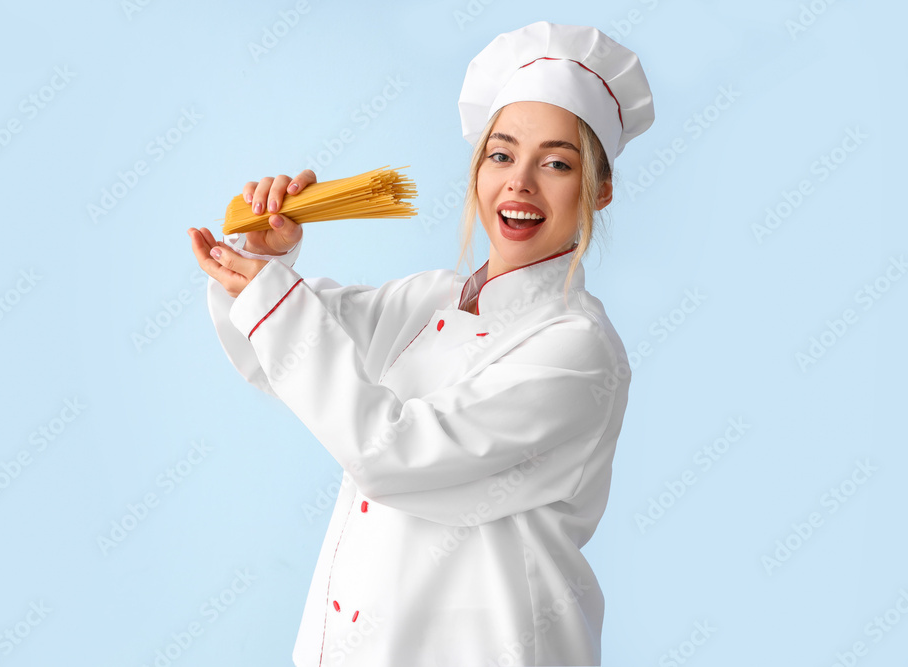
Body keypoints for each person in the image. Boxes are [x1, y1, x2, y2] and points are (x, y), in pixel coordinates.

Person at [187, 20, 654, 667]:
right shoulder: (428, 298)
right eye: (501, 154)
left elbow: (391, 451)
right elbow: (277, 356)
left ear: (599, 190)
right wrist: (268, 259)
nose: (519, 182)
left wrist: (276, 297)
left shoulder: (578, 351)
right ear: (477, 171)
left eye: (556, 162)